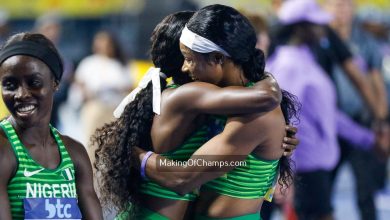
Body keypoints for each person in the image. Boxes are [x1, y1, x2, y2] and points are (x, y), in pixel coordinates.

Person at [92, 9, 299, 220]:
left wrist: (135, 154)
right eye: (183, 58)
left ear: (218, 57)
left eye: (190, 59)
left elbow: (184, 177)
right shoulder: (207, 99)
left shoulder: (253, 112)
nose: (185, 66)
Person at [265, 0, 389, 219]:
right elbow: (281, 123)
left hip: (311, 169)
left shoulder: (305, 61)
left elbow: (329, 115)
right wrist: (285, 173)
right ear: (301, 28)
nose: (324, 28)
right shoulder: (290, 67)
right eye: (317, 24)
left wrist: (369, 139)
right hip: (303, 170)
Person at [0, 33, 103, 220]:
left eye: (34, 83)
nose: (21, 94)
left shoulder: (74, 153)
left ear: (55, 83)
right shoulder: (4, 150)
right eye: (10, 85)